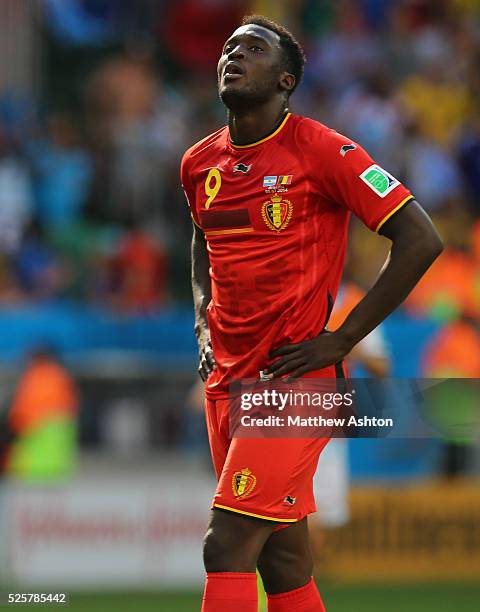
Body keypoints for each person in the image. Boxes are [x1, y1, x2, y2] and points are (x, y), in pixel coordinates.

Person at [181, 15, 443, 611]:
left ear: (287, 80)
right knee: (283, 558)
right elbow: (201, 241)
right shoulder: (199, 164)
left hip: (294, 379)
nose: (234, 55)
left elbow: (421, 238)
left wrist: (343, 338)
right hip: (226, 380)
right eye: (228, 47)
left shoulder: (323, 150)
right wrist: (201, 319)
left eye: (253, 49)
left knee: (226, 545)